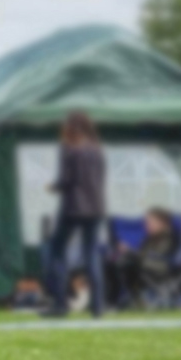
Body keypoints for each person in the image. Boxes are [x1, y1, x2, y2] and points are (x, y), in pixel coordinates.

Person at [45, 111, 107, 318]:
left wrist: (52, 187)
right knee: (91, 254)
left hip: (73, 208)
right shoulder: (97, 149)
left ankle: (61, 304)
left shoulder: (69, 148)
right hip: (96, 207)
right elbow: (100, 179)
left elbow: (66, 180)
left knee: (56, 250)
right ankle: (97, 307)